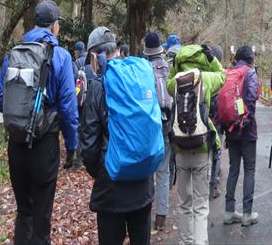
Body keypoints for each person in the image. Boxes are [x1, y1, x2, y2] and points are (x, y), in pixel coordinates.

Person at [0, 0, 79, 245]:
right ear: (54, 26)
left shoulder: (15, 53)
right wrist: (72, 147)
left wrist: (21, 113)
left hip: (16, 143)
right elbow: (68, 108)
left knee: (24, 212)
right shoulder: (61, 56)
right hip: (45, 144)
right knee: (42, 215)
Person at [81, 26, 155, 245]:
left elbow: (89, 143)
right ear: (116, 50)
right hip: (142, 180)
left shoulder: (98, 86)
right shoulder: (139, 78)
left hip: (111, 185)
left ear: (94, 56)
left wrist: (101, 171)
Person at [167, 45, 226, 245]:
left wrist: (175, 65)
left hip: (180, 148)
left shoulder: (175, 82)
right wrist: (211, 59)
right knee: (200, 205)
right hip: (201, 147)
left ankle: (187, 241)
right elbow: (222, 76)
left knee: (185, 203)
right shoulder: (205, 79)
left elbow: (167, 83)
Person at [223, 45, 260, 227]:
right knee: (249, 170)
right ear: (251, 59)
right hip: (247, 130)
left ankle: (229, 212)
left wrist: (230, 125)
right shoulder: (250, 73)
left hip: (231, 129)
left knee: (233, 169)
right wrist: (245, 121)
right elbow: (251, 99)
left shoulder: (229, 73)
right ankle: (247, 213)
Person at [142, 32, 173, 231]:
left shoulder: (143, 69)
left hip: (149, 127)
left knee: (147, 171)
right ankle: (161, 216)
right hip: (167, 125)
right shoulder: (169, 67)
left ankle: (145, 211)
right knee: (163, 170)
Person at [209, 44, 225, 200]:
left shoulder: (202, 74)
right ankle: (214, 183)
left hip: (203, 119)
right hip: (218, 120)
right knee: (217, 152)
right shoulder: (222, 75)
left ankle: (204, 181)